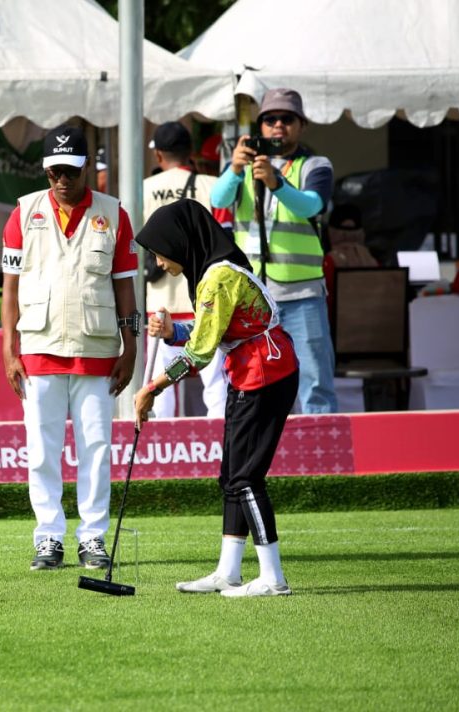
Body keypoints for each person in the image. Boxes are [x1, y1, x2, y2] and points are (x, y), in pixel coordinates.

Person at [133, 200, 298, 597]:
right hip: (251, 373)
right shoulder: (213, 272)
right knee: (231, 478)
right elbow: (212, 329)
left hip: (264, 375)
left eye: (159, 250)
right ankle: (229, 572)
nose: (157, 260)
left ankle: (273, 579)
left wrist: (151, 388)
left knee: (245, 479)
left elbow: (200, 353)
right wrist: (174, 330)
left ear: (180, 241)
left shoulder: (217, 277)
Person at [1, 124, 139, 571]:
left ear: (88, 169)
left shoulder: (114, 214)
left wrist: (131, 345)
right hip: (39, 347)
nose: (62, 180)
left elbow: (125, 288)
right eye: (54, 171)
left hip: (97, 349)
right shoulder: (21, 213)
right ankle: (48, 538)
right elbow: (9, 288)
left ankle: (93, 538)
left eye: (71, 171)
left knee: (96, 447)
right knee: (41, 449)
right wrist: (8, 348)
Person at [211, 88, 338, 414]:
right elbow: (219, 200)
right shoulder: (242, 164)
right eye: (270, 119)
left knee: (315, 383)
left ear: (302, 125)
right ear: (260, 127)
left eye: (286, 118)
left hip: (302, 293)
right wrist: (235, 170)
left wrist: (277, 183)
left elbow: (312, 204)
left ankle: (322, 455)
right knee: (254, 381)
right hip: (254, 297)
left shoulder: (314, 164)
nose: (278, 125)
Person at [142, 121, 223, 419]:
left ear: (159, 156)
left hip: (160, 304)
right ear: (190, 153)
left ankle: (164, 446)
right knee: (215, 382)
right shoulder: (212, 186)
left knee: (162, 383)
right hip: (206, 299)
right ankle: (219, 442)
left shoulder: (143, 190)